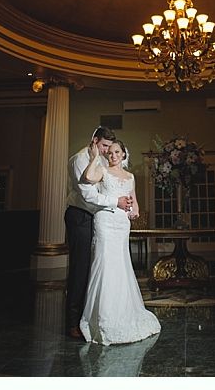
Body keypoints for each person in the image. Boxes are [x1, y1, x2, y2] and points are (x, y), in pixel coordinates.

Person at [79, 139, 161, 345]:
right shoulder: (102, 170)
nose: (113, 155)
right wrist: (94, 157)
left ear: (124, 154)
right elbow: (88, 177)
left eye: (117, 152)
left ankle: (123, 313)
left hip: (122, 224)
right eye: (110, 152)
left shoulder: (130, 177)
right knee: (104, 265)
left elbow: (135, 206)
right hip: (105, 221)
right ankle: (102, 319)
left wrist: (134, 212)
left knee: (121, 266)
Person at [65, 126, 133, 339]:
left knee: (97, 268)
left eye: (109, 148)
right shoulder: (79, 160)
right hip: (80, 216)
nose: (106, 151)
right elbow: (88, 194)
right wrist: (117, 202)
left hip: (99, 217)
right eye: (103, 146)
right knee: (80, 268)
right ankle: (72, 322)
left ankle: (95, 314)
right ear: (94, 141)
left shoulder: (103, 159)